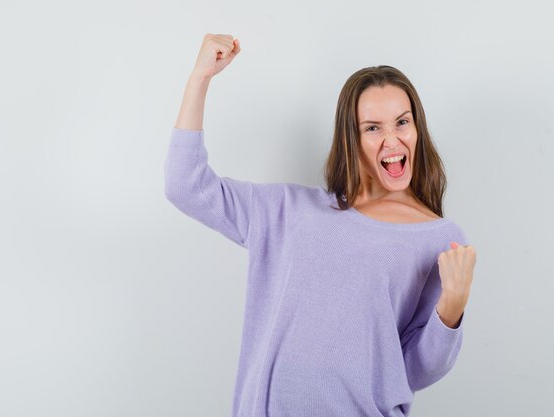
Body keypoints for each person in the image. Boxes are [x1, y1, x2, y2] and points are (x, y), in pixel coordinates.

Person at [164, 33, 477, 417]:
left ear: (417, 128)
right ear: (352, 138)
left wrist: (452, 311)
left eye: (402, 122)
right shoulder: (288, 210)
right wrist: (200, 79)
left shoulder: (439, 239)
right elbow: (186, 186)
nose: (392, 140)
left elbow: (414, 370)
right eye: (373, 128)